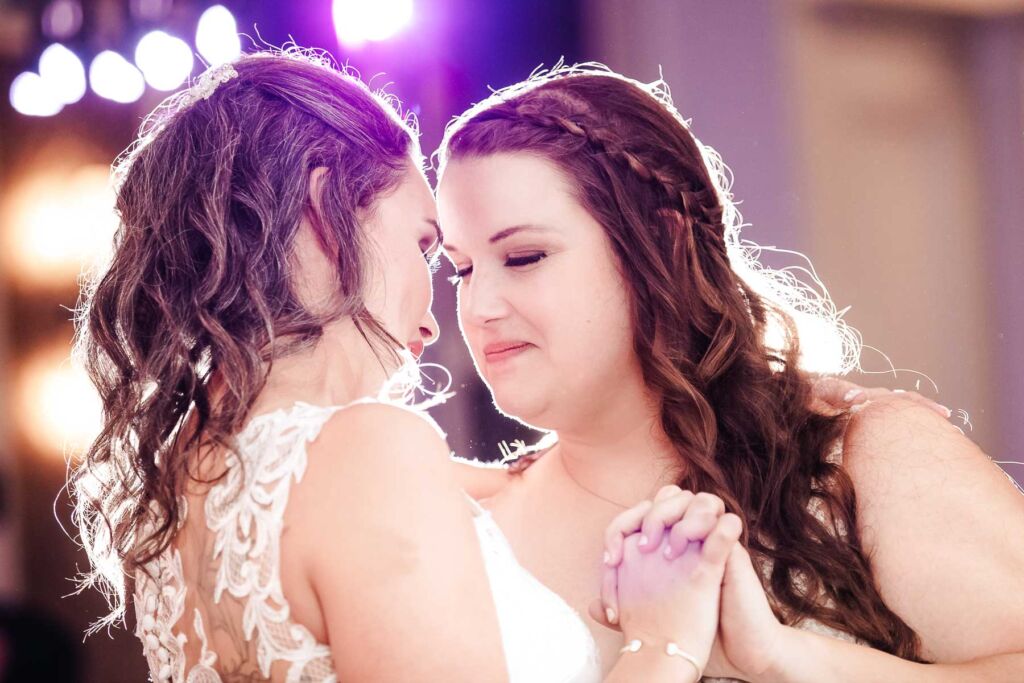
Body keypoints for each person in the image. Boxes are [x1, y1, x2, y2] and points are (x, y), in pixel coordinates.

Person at [69, 51, 746, 682]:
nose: (435, 320)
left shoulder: (183, 479)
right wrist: (660, 645)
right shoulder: (370, 451)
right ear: (324, 211)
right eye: (428, 250)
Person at [435, 63, 1024, 680]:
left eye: (523, 256)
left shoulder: (855, 460)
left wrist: (778, 657)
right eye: (462, 269)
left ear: (658, 246)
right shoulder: (470, 529)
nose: (477, 308)